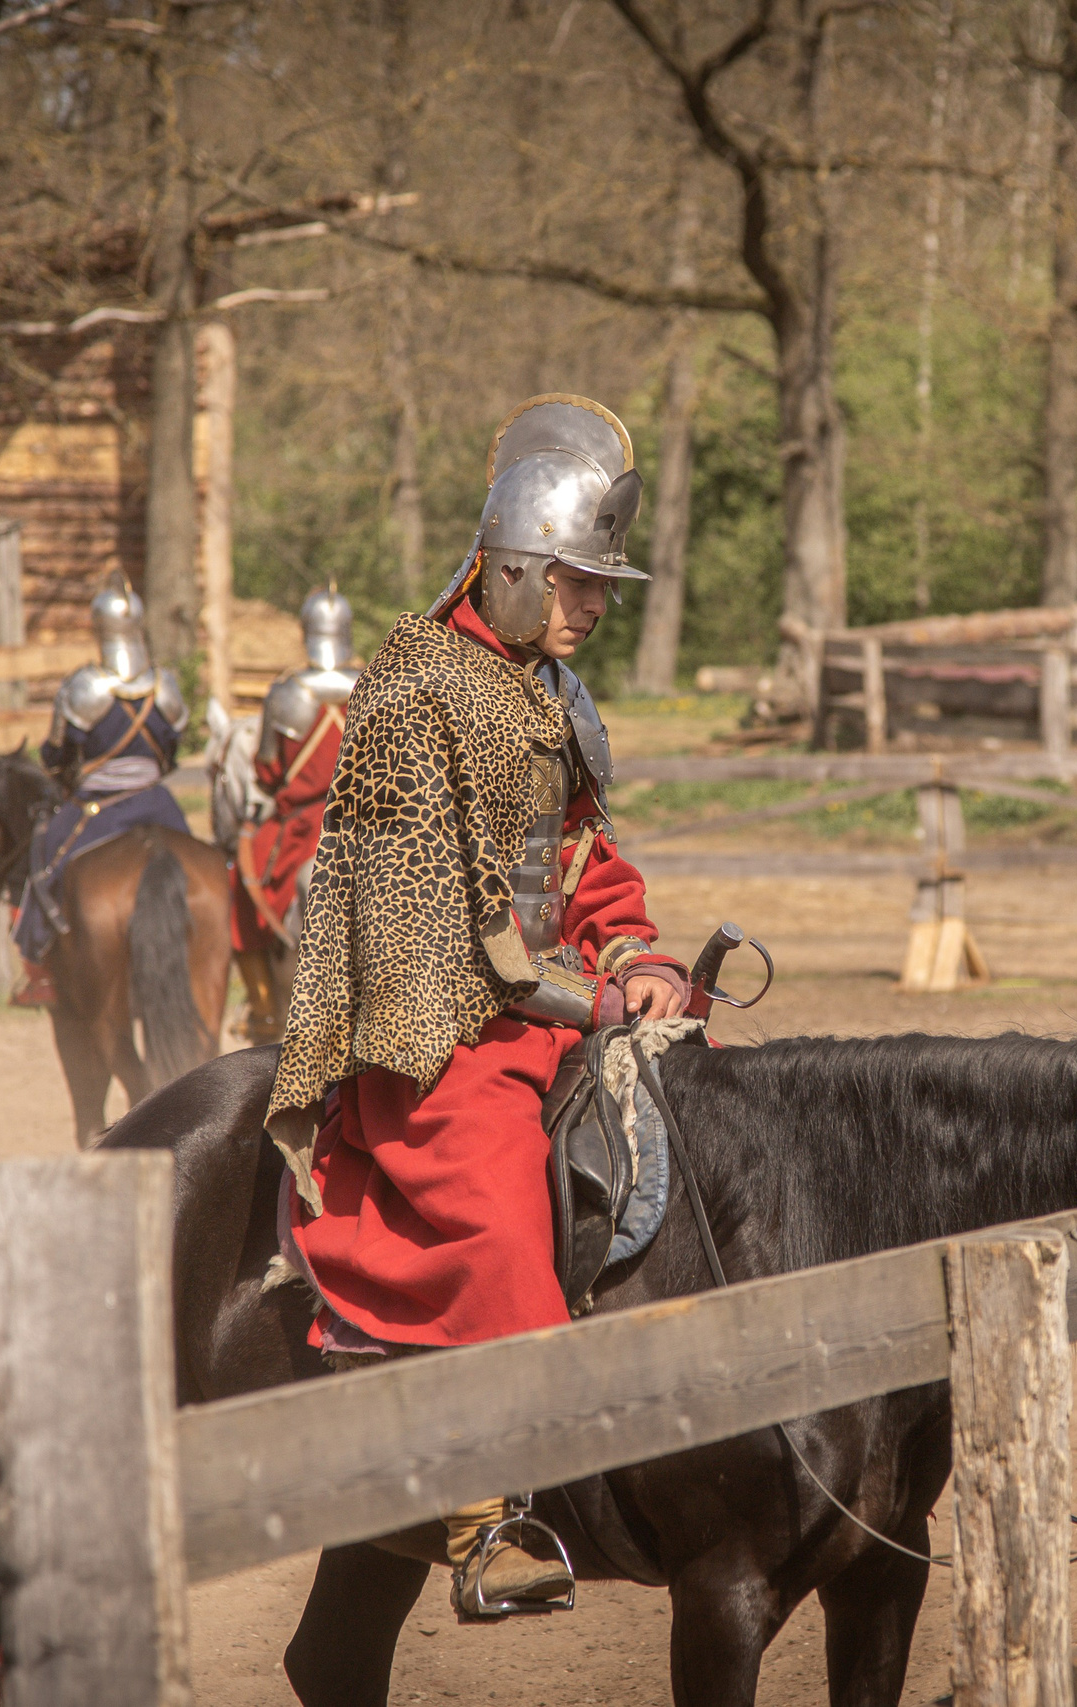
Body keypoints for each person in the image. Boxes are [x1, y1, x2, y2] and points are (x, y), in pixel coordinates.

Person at [264, 395, 691, 1621]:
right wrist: (589, 1001)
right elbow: (442, 932)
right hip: (431, 1027)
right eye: (572, 580)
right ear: (507, 570)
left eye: (604, 582)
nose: (593, 604)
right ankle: (486, 1516)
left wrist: (638, 953)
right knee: (498, 1205)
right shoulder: (409, 692)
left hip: (549, 1002)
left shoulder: (552, 691)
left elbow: (579, 858)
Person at [10, 580, 192, 1006]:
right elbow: (171, 750)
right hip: (157, 800)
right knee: (210, 861)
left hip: (97, 807)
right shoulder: (165, 686)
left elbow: (56, 754)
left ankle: (41, 969)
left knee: (45, 860)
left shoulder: (84, 687)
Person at [228, 586, 358, 1042]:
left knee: (239, 885)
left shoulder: (287, 692)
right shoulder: (374, 683)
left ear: (306, 634)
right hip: (363, 823)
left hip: (305, 829)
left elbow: (267, 769)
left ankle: (263, 1008)